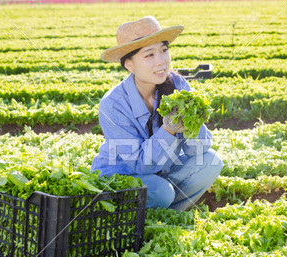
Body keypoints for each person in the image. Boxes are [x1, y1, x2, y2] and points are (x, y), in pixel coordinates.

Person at [91, 16, 223, 211]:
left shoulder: (177, 85)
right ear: (129, 65)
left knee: (211, 162)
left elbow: (196, 150)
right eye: (149, 55)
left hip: (159, 173)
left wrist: (194, 124)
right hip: (121, 177)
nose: (161, 61)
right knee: (161, 191)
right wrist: (168, 130)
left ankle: (168, 216)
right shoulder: (113, 105)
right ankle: (149, 215)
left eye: (163, 50)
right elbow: (140, 165)